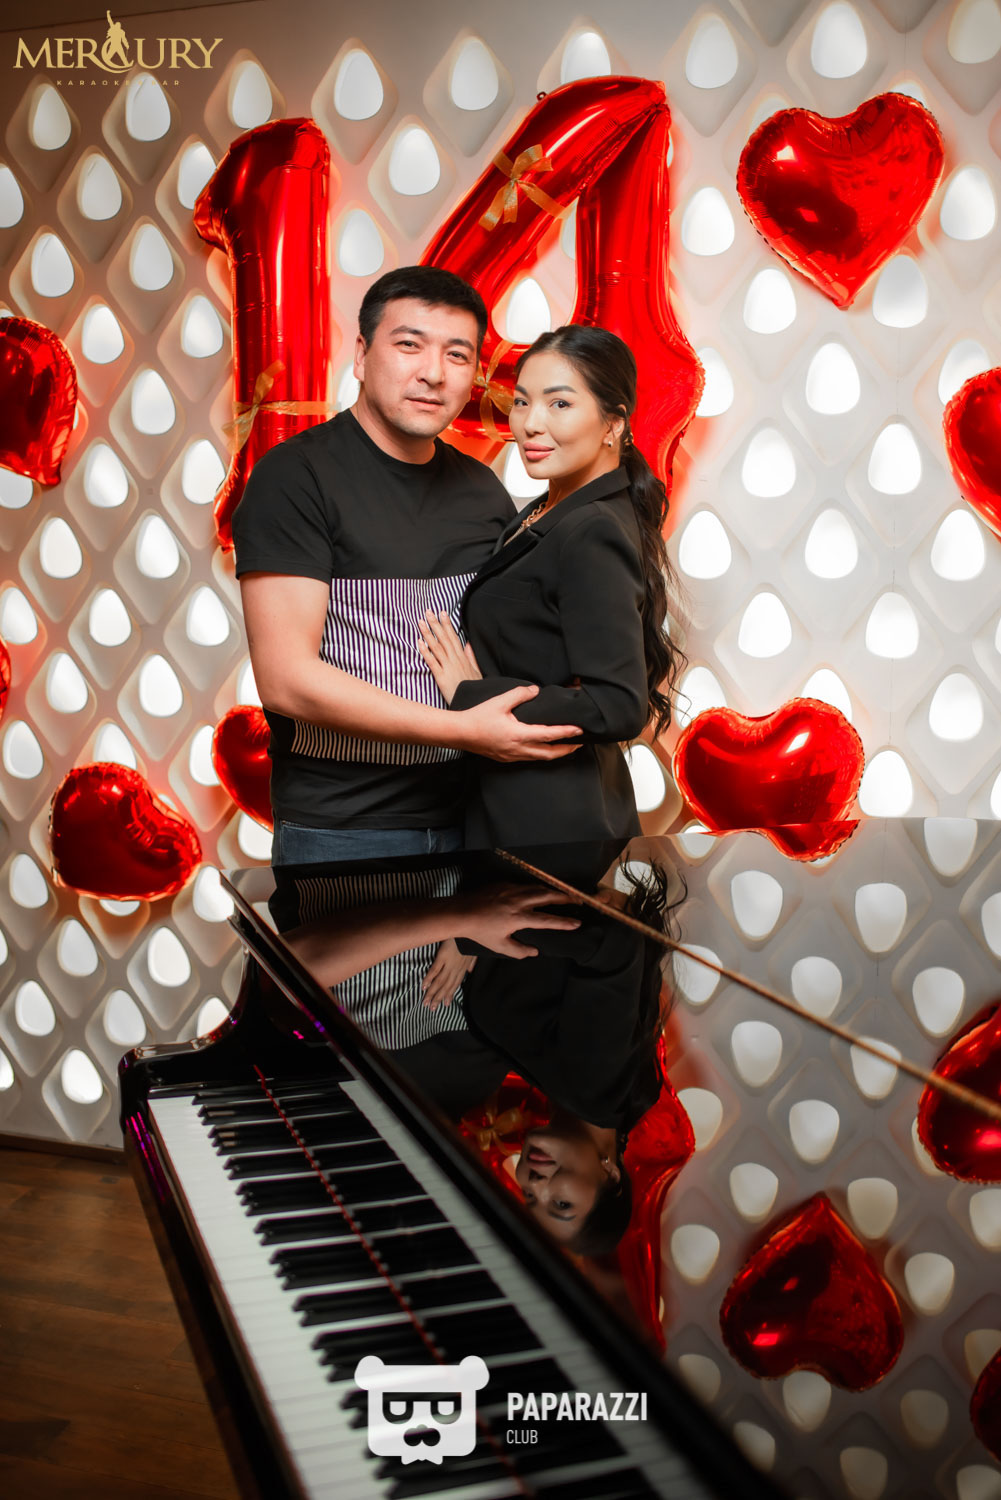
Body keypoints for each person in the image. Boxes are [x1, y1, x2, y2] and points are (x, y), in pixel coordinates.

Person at [232, 267, 582, 866]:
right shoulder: (295, 478)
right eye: (409, 345)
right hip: (346, 829)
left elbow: (514, 643)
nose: (433, 373)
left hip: (480, 813)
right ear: (361, 356)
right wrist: (466, 729)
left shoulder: (482, 491)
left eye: (457, 354)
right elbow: (286, 679)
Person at [418, 324, 682, 848]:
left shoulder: (593, 529)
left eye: (559, 404)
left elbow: (617, 705)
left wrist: (473, 694)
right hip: (513, 808)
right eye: (521, 402)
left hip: (551, 826)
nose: (531, 424)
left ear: (613, 423)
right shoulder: (554, 507)